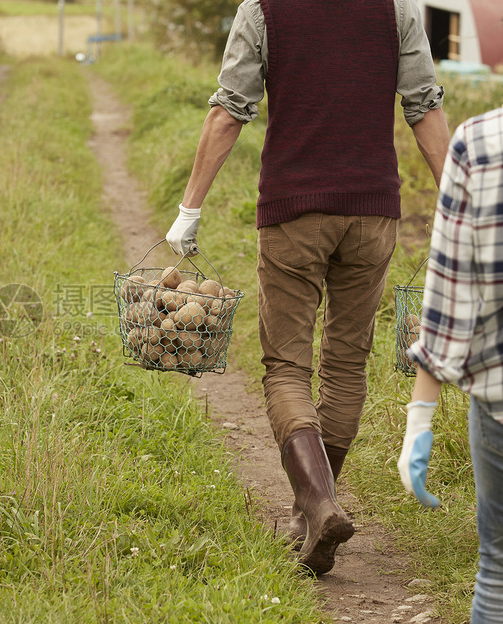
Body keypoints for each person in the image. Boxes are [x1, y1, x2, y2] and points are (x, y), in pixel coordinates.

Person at [165, 0, 451, 575]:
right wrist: (456, 203)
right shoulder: (395, 11)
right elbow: (424, 107)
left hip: (293, 211)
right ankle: (313, 507)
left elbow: (229, 112)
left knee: (288, 367)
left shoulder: (263, 10)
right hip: (373, 213)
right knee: (347, 362)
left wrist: (189, 208)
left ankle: (318, 503)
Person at [399, 106, 503, 623]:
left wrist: (420, 419)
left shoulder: (482, 143)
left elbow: (451, 298)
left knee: (500, 572)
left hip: (499, 400)